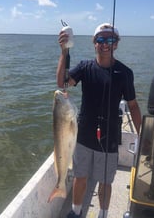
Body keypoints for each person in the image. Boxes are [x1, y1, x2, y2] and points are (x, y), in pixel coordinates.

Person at [57, 23, 142, 218]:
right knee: (80, 177)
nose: (105, 44)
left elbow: (133, 106)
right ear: (94, 43)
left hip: (110, 136)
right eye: (101, 40)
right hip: (84, 133)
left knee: (105, 181)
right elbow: (62, 83)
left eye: (110, 40)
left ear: (117, 44)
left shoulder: (125, 73)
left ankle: (103, 214)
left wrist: (143, 133)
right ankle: (76, 212)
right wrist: (64, 52)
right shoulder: (85, 67)